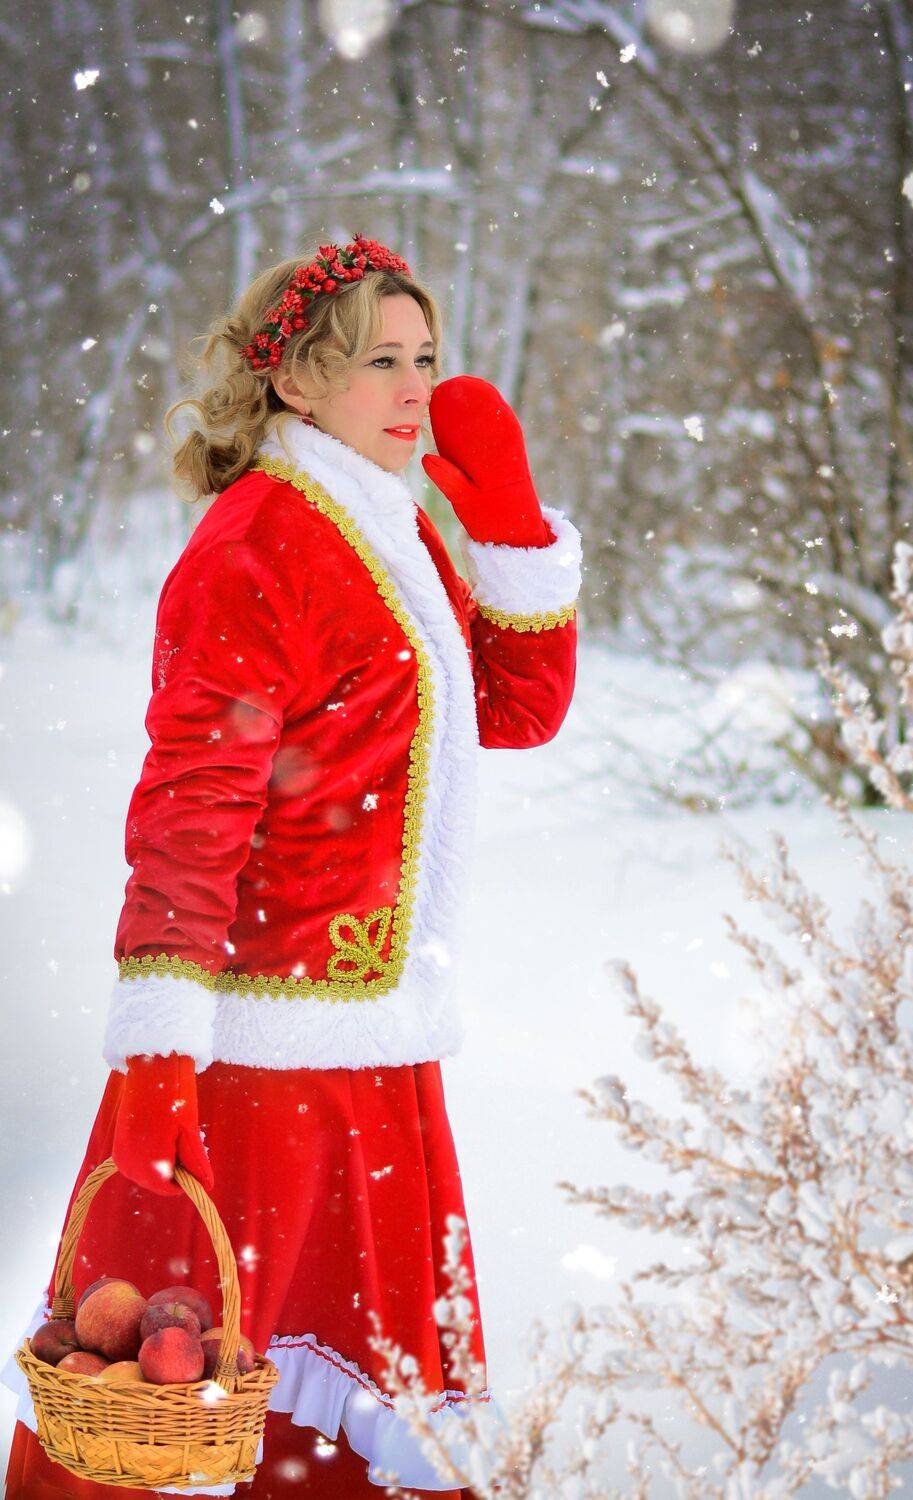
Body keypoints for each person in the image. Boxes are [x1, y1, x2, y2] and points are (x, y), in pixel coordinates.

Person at [1, 234, 582, 1496]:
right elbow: (190, 809)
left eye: (425, 357)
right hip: (254, 1075)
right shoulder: (256, 543)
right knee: (194, 1400)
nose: (417, 388)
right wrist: (158, 1052)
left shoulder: (390, 527)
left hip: (377, 1057)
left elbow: (515, 708)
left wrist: (509, 529)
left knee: (340, 1414)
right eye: (381, 361)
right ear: (297, 380)